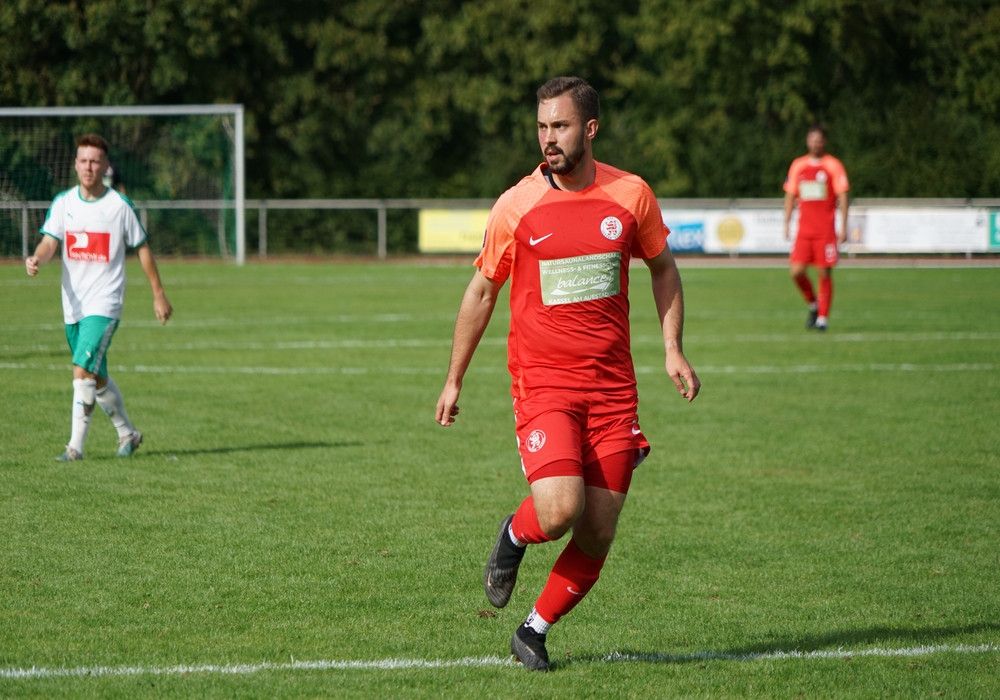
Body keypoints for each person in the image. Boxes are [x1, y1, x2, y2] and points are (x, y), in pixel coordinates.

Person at [435, 77, 700, 672]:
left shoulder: (631, 196)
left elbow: (662, 268)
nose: (547, 138)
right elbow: (482, 291)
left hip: (613, 393)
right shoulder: (517, 204)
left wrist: (671, 347)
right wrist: (454, 378)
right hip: (544, 384)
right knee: (558, 511)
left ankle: (533, 630)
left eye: (559, 126)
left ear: (590, 129)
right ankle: (513, 534)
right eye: (541, 126)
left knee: (598, 531)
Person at [25, 133, 173, 461]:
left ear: (105, 166)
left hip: (105, 303)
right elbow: (50, 241)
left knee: (81, 370)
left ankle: (74, 448)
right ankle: (128, 434)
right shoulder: (63, 203)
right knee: (96, 377)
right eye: (83, 161)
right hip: (73, 304)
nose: (89, 167)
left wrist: (158, 294)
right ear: (75, 165)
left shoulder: (119, 206)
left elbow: (142, 247)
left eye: (95, 161)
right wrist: (38, 257)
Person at [782, 124, 850, 331]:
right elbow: (790, 195)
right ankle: (814, 303)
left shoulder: (833, 165)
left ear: (825, 142)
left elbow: (843, 195)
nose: (815, 143)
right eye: (812, 139)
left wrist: (843, 225)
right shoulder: (798, 165)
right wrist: (786, 222)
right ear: (807, 141)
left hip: (825, 230)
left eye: (819, 140)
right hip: (804, 230)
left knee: (824, 272)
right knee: (796, 272)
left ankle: (822, 318)